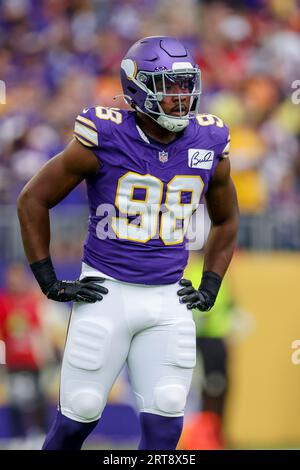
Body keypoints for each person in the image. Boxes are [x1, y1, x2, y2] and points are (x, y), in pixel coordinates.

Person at [17, 36, 239, 451]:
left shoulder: (209, 142)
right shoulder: (106, 135)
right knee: (78, 414)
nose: (180, 96)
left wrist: (211, 282)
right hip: (107, 290)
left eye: (185, 83)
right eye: (168, 85)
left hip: (168, 297)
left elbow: (227, 219)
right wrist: (49, 281)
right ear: (138, 88)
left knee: (168, 413)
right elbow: (33, 200)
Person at [179, 252, 235, 450]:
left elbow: (226, 306)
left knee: (217, 388)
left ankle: (212, 434)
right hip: (198, 340)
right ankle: (200, 436)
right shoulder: (194, 271)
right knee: (204, 389)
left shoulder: (210, 272)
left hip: (213, 340)